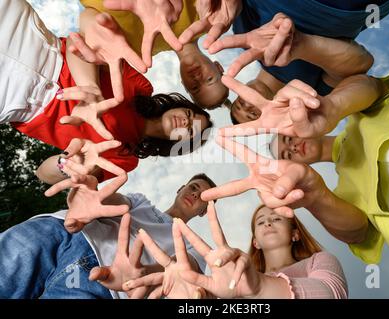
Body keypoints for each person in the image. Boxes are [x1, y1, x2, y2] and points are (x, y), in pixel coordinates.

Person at [202, 51, 389, 297]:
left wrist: (331, 107)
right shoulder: (342, 192)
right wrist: (315, 197)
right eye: (286, 155)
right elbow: (359, 232)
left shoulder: (357, 112)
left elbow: (369, 84)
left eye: (288, 139)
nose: (291, 147)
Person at [0, 0, 212, 183]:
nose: (185, 122)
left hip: (14, 101)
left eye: (191, 130)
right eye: (190, 114)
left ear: (180, 143)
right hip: (32, 44)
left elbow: (43, 174)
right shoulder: (142, 87)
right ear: (181, 106)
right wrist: (90, 88)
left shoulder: (126, 160)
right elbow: (80, 44)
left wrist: (69, 164)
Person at [0, 172, 216, 299]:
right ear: (180, 188)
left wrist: (142, 273)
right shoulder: (141, 201)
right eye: (193, 187)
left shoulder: (194, 245)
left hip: (104, 280)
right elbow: (117, 202)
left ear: (203, 211)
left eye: (202, 196)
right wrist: (96, 199)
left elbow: (178, 271)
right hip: (64, 232)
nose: (195, 194)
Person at [218, 0, 389, 123]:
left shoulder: (244, 36)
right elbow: (362, 61)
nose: (248, 106)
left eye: (240, 105)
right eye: (252, 115)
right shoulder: (313, 93)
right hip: (343, 8)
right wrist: (302, 45)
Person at [127, 202, 348, 299]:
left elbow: (331, 293)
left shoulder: (319, 261)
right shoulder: (230, 280)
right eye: (261, 222)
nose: (268, 223)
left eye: (276, 219)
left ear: (295, 234)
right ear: (256, 243)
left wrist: (260, 287)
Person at [76, 0, 234, 109]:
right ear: (218, 67)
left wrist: (89, 24)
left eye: (195, 87)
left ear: (184, 84)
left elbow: (89, 15)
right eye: (209, 79)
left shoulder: (138, 51)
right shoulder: (205, 14)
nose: (198, 78)